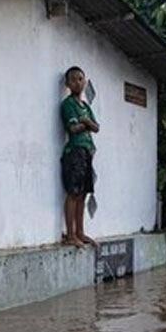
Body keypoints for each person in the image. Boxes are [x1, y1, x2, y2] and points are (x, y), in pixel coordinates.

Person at [60, 66, 100, 247]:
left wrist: (85, 121)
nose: (77, 82)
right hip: (74, 151)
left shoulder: (85, 106)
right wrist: (86, 123)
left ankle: (80, 232)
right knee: (73, 193)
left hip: (87, 151)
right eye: (73, 79)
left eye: (80, 79)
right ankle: (70, 235)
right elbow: (73, 128)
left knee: (83, 194)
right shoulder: (68, 104)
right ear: (67, 84)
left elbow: (96, 127)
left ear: (85, 82)